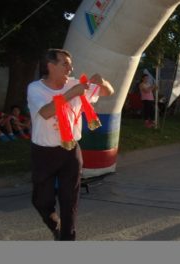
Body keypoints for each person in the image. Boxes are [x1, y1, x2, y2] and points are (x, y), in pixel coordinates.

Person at [27, 48, 114, 240]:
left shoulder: (75, 83)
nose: (70, 67)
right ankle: (53, 223)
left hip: (71, 151)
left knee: (69, 200)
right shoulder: (36, 88)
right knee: (42, 201)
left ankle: (68, 239)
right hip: (44, 152)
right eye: (64, 63)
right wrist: (72, 93)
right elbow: (46, 112)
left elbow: (108, 91)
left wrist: (103, 82)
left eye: (70, 64)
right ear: (50, 66)